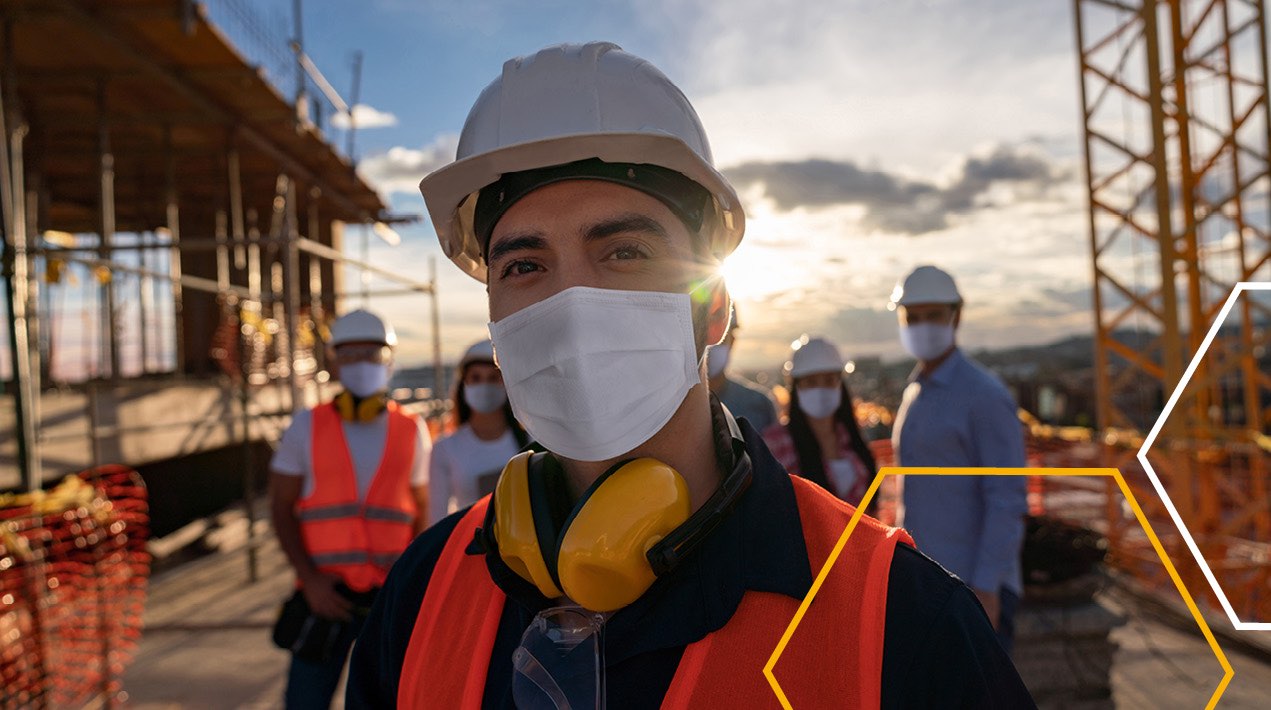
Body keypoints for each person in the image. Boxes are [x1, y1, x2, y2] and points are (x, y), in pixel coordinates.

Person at [348, 42, 1033, 708]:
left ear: (711, 308)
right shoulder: (420, 597)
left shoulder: (899, 624)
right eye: (524, 266)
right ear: (496, 323)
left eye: (623, 251)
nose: (572, 306)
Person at [268, 309, 431, 708]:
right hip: (325, 597)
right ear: (334, 363)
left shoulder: (412, 429)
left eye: (371, 355)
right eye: (350, 355)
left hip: (387, 598)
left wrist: (410, 587)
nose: (361, 364)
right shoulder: (305, 427)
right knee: (306, 700)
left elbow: (421, 515)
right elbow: (280, 506)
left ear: (389, 362)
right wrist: (310, 579)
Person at [889, 265, 1030, 654]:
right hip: (930, 584)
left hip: (972, 589)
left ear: (957, 315)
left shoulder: (983, 395)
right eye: (912, 317)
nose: (923, 326)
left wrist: (986, 589)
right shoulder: (914, 394)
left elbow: (1006, 497)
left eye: (933, 315)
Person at [762, 335, 876, 508]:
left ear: (840, 383)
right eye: (811, 382)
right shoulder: (775, 443)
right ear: (796, 387)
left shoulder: (850, 437)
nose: (821, 390)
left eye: (829, 380)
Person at [428, 339, 528, 522]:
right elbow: (436, 520)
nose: (485, 385)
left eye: (493, 378)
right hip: (470, 548)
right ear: (463, 384)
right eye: (476, 378)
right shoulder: (445, 449)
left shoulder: (532, 442)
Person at [706, 305, 778, 432]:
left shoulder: (760, 406)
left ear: (732, 341)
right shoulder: (666, 410)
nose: (709, 347)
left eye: (719, 339)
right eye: (702, 338)